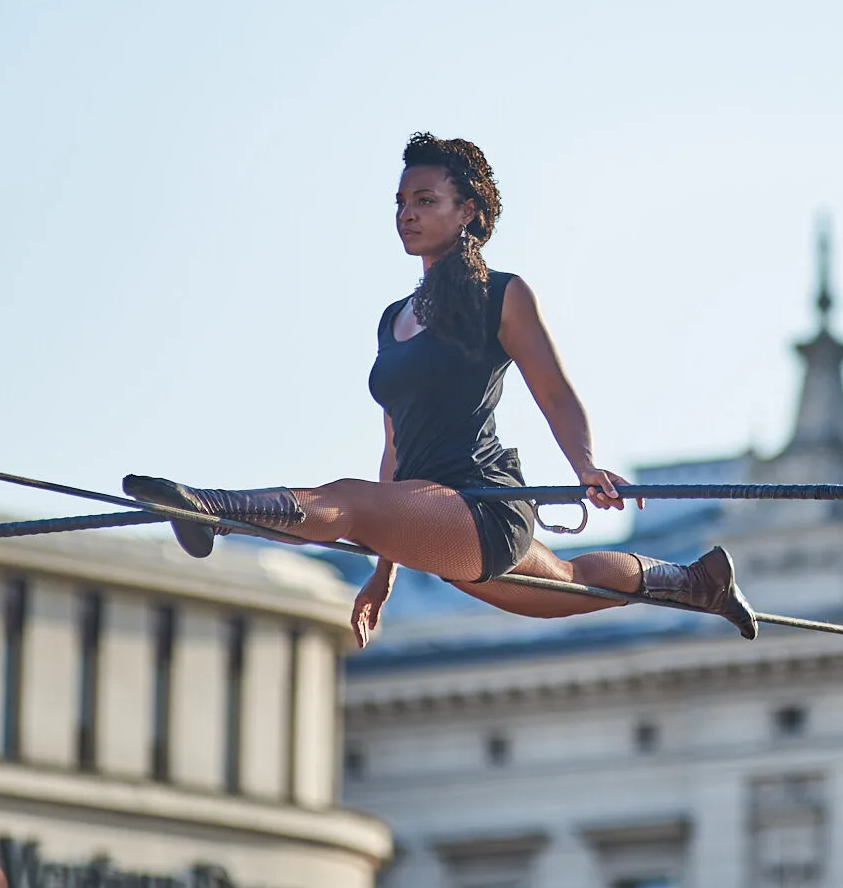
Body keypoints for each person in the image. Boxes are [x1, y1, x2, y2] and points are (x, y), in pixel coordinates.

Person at [123, 132, 755, 648]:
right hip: (431, 515)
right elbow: (395, 452)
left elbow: (554, 392)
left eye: (425, 200)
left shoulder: (501, 294)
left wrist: (585, 466)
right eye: (400, 201)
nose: (407, 213)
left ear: (469, 211)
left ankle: (215, 509)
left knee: (350, 500)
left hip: (482, 508)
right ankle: (698, 583)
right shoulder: (392, 319)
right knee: (569, 582)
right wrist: (384, 570)